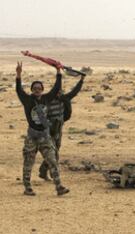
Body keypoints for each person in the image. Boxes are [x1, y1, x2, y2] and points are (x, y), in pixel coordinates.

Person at [15, 62, 69, 196]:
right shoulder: (27, 100)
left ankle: (59, 187)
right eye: (35, 88)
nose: (37, 89)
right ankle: (27, 188)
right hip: (32, 137)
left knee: (53, 161)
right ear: (32, 90)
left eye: (39, 88)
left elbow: (56, 88)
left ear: (42, 89)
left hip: (45, 137)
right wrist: (18, 75)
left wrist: (58, 72)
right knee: (28, 163)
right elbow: (18, 90)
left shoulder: (46, 99)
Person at [38, 75, 85, 181]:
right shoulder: (47, 101)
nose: (59, 94)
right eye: (57, 92)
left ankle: (43, 171)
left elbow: (75, 91)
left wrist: (81, 80)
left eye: (60, 92)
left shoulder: (64, 99)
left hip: (58, 129)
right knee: (54, 152)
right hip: (48, 130)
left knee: (56, 149)